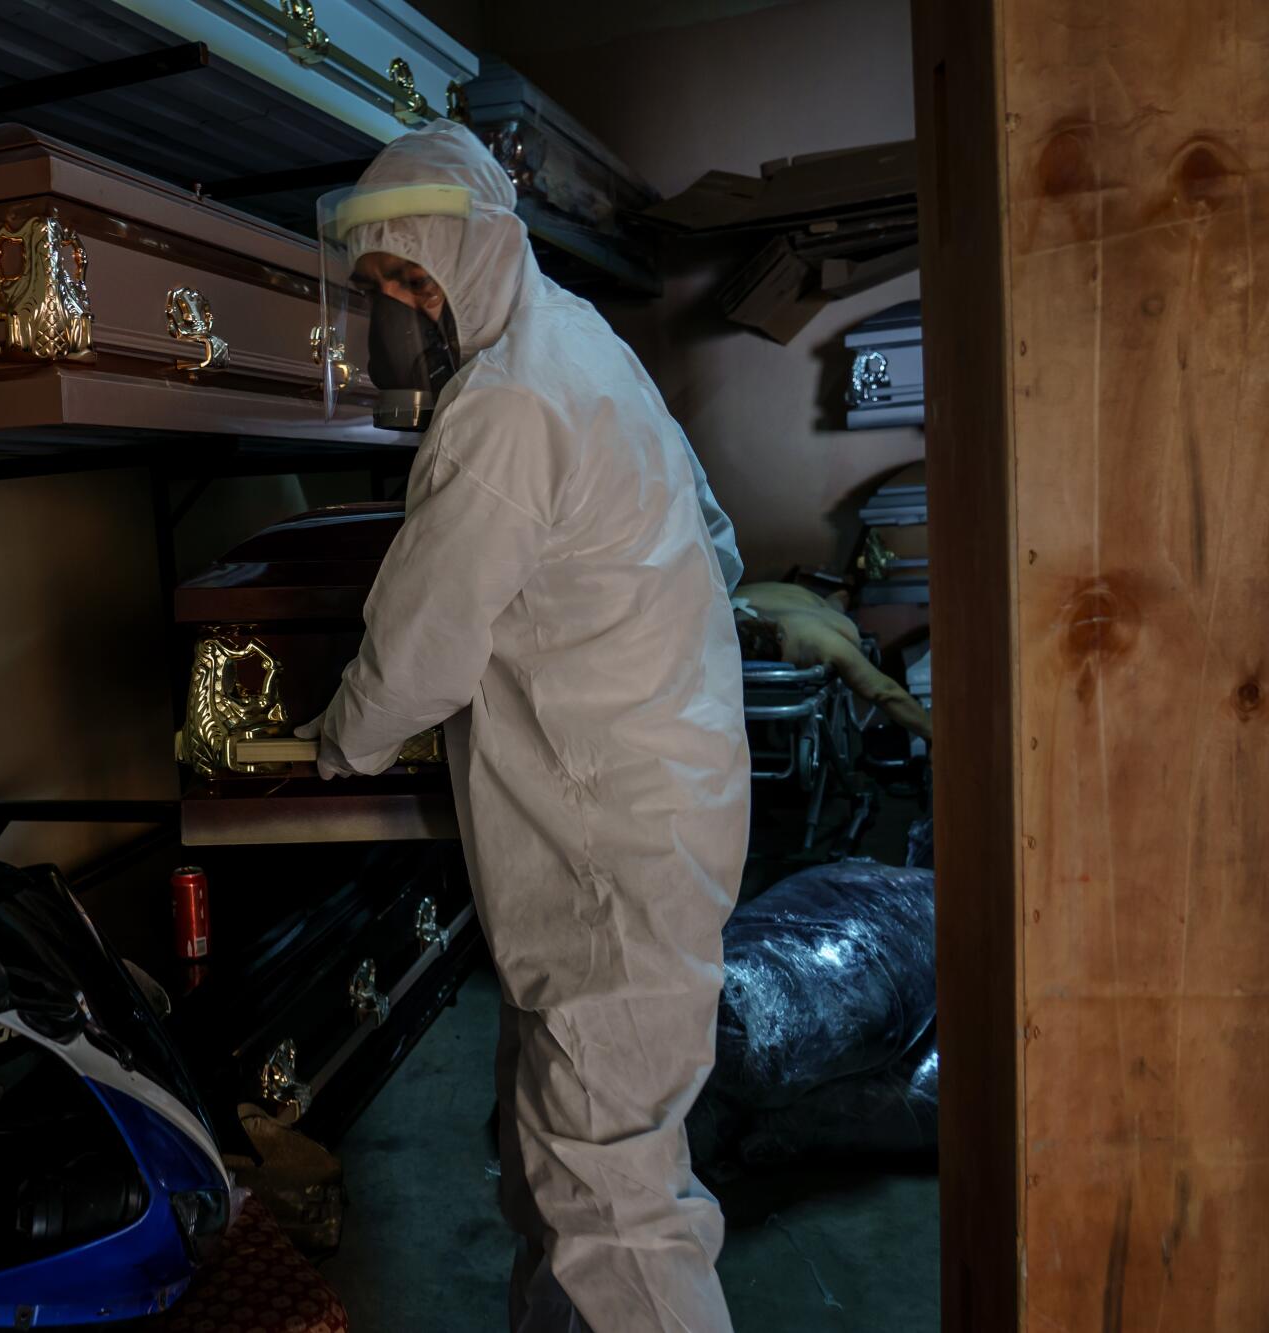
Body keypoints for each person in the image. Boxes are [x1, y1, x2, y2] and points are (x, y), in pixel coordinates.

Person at [294, 122, 750, 1333]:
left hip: (604, 846)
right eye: (378, 287)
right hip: (671, 803)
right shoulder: (586, 345)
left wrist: (333, 746)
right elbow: (716, 538)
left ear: (471, 255)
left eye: (408, 278)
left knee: (610, 1203)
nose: (394, 309)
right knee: (562, 1159)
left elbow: (416, 651)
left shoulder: (499, 412)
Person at [733, 582, 933, 740]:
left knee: (834, 604)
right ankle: (838, 599)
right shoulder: (818, 639)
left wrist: (932, 733)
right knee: (833, 603)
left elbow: (884, 691)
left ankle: (838, 600)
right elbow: (884, 691)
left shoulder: (817, 639)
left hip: (813, 611)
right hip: (793, 598)